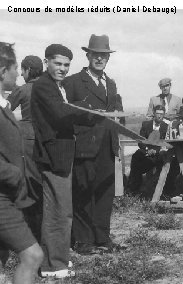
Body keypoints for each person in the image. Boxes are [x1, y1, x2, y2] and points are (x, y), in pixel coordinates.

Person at [31, 44, 96, 278]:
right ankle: (53, 265)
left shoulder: (54, 86)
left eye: (67, 65)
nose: (62, 69)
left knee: (58, 209)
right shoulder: (43, 86)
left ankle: (56, 259)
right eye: (58, 63)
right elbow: (61, 113)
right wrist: (89, 110)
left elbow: (65, 114)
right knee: (59, 211)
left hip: (60, 153)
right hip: (54, 154)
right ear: (46, 61)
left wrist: (92, 117)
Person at [63, 34, 125, 255]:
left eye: (104, 55)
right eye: (96, 55)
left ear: (108, 58)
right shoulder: (73, 82)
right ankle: (83, 240)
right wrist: (85, 110)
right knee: (82, 193)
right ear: (88, 55)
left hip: (107, 147)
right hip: (85, 148)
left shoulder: (111, 83)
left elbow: (118, 115)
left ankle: (102, 238)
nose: (100, 59)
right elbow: (65, 113)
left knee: (104, 194)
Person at [0, 41, 44, 284]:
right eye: (15, 68)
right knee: (33, 256)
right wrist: (15, 174)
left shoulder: (4, 105)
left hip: (8, 194)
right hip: (2, 197)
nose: (19, 73)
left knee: (2, 257)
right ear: (2, 71)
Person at [7, 55, 44, 242]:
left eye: (23, 70)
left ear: (28, 70)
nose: (21, 74)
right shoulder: (49, 87)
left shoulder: (23, 89)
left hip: (28, 140)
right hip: (48, 139)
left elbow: (5, 109)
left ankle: (32, 230)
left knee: (30, 183)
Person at [127, 104, 169, 196]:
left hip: (159, 154)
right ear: (154, 113)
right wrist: (147, 150)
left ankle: (139, 187)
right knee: (136, 156)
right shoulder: (146, 125)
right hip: (145, 151)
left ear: (164, 115)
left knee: (143, 165)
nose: (159, 116)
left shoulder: (166, 127)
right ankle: (134, 187)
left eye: (161, 114)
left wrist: (156, 151)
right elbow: (140, 141)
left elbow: (166, 143)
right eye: (157, 113)